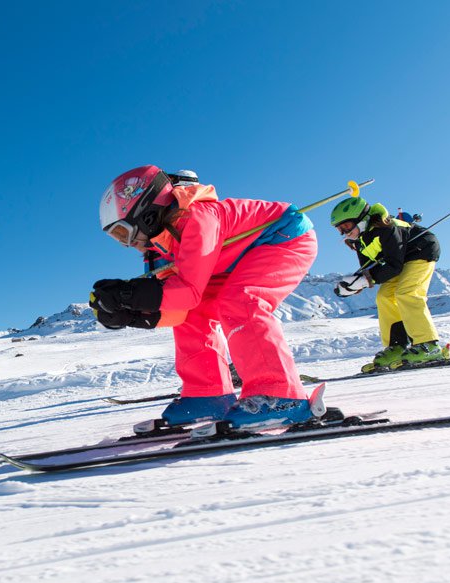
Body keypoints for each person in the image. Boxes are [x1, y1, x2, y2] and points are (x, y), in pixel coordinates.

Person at [91, 165, 320, 429]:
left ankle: (280, 395)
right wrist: (129, 313)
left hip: (282, 238)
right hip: (233, 261)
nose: (127, 243)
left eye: (123, 232)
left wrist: (130, 294)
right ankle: (208, 394)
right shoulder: (158, 249)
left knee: (240, 301)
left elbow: (187, 291)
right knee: (193, 315)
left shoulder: (198, 217)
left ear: (146, 213)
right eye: (117, 238)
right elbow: (179, 308)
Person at [330, 197, 446, 370]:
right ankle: (397, 346)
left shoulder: (387, 227)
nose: (343, 232)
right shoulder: (359, 241)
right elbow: (369, 268)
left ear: (361, 218)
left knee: (406, 292)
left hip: (421, 251)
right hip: (399, 262)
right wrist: (353, 286)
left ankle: (428, 344)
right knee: (384, 297)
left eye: (346, 226)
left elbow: (393, 265)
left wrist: (364, 280)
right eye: (339, 229)